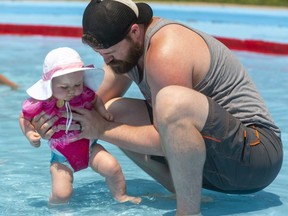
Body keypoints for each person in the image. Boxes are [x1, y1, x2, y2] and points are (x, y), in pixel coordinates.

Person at [30, 0, 283, 215]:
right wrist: (51, 125)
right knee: (113, 110)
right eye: (100, 54)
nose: (106, 61)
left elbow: (168, 139)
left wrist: (102, 130)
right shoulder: (126, 53)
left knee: (171, 103)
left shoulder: (166, 50)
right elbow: (86, 109)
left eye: (110, 53)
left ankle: (188, 212)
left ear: (134, 32)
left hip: (255, 156)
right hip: (218, 162)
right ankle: (190, 193)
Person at [19, 47, 141, 205]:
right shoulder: (42, 103)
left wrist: (103, 113)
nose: (72, 91)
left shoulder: (84, 94)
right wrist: (29, 134)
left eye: (77, 84)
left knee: (112, 168)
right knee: (62, 194)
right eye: (64, 87)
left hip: (90, 147)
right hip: (62, 157)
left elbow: (95, 99)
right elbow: (23, 117)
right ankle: (56, 209)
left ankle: (121, 196)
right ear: (49, 86)